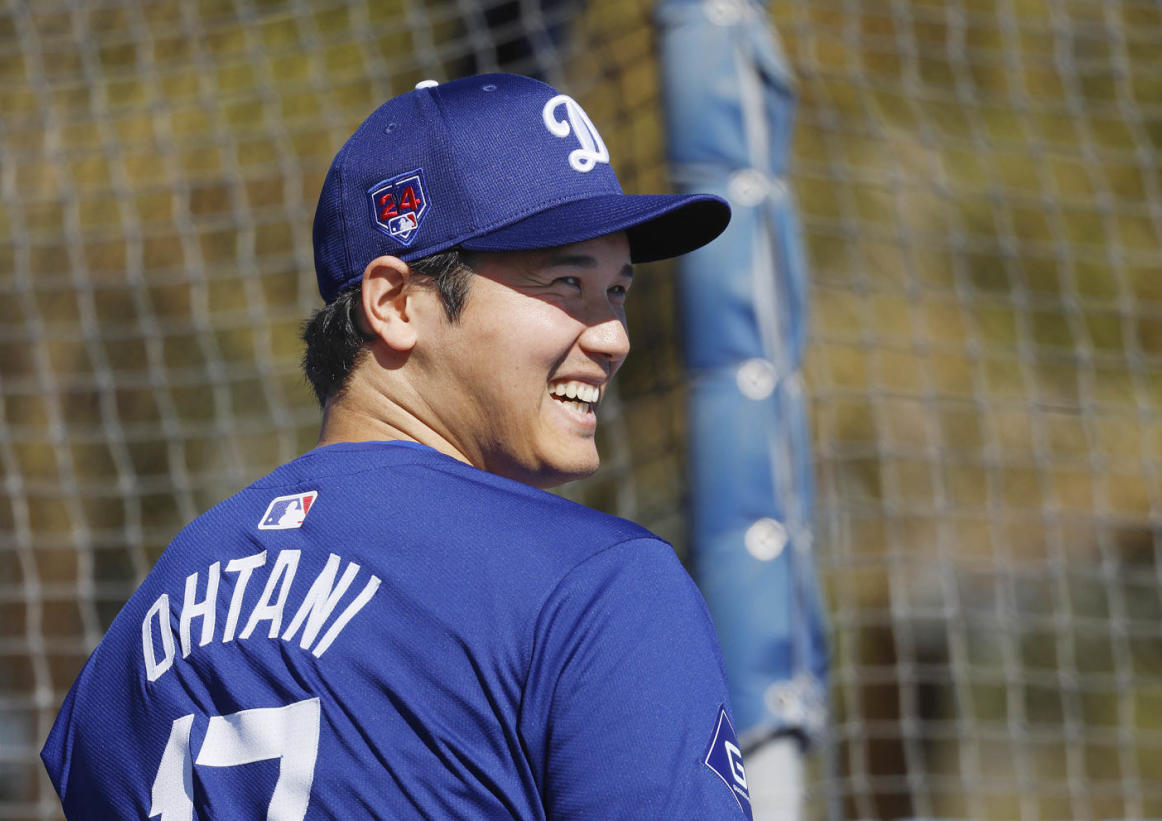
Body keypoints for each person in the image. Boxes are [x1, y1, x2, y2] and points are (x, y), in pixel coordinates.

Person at [42, 73, 750, 819]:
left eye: (617, 290)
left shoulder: (140, 630)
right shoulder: (598, 587)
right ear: (392, 302)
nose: (613, 337)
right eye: (567, 280)